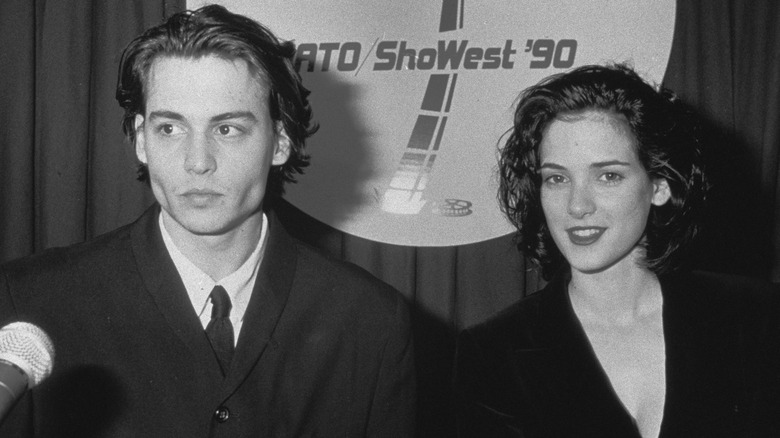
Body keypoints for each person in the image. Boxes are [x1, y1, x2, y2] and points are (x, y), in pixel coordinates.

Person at [0, 5, 415, 437]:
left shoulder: (370, 322)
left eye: (227, 129)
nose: (197, 163)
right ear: (141, 139)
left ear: (281, 142)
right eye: (170, 129)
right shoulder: (31, 301)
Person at [454, 64, 780, 437]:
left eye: (608, 176)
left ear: (659, 184)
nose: (577, 206)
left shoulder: (758, 319)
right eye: (557, 178)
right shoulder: (493, 352)